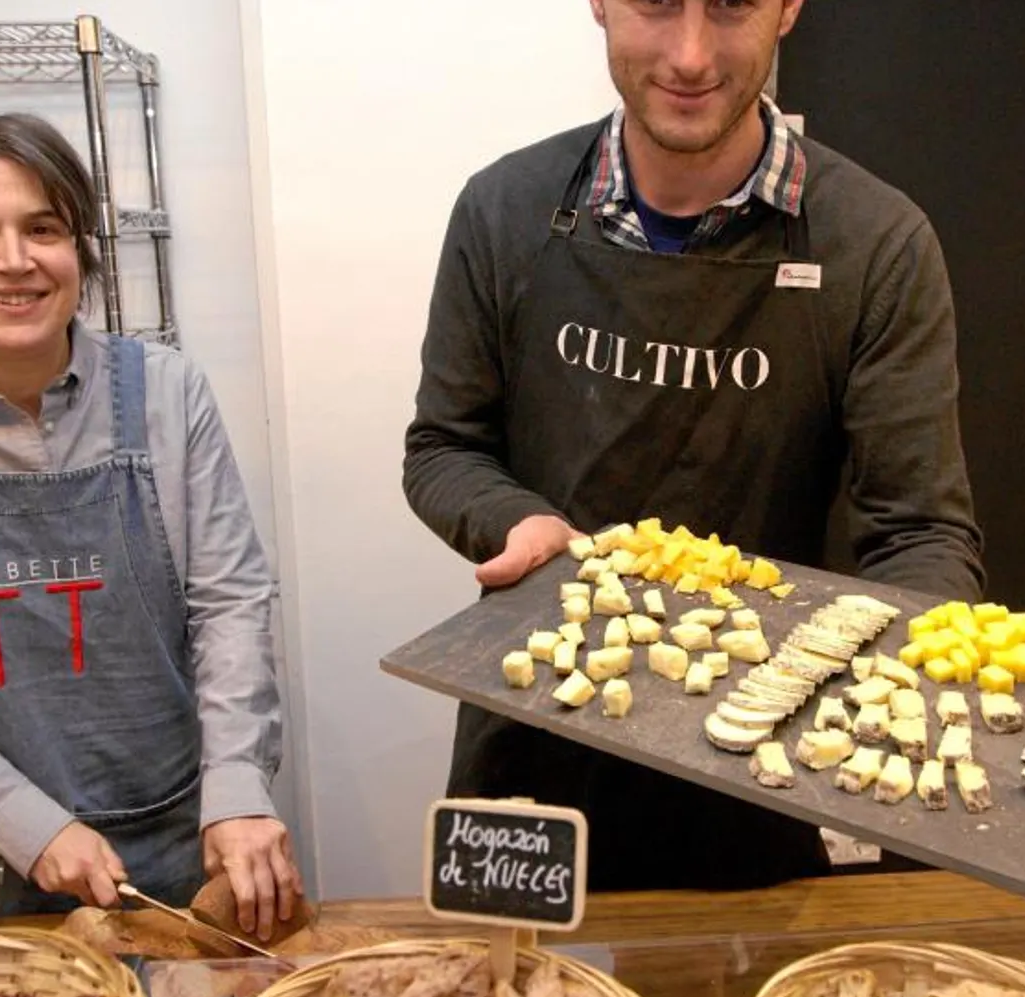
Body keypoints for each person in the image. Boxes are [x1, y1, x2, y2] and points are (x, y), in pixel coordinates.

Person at [403, 0, 985, 891]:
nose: (689, 54)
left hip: (760, 763)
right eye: (657, 3)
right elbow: (443, 447)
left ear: (788, 7)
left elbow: (921, 532)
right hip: (535, 751)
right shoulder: (504, 211)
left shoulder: (878, 245)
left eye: (731, 7)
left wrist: (913, 683)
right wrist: (519, 521)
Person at [0, 113, 302, 935]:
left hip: (182, 845)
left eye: (43, 228)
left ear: (79, 250)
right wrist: (31, 827)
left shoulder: (166, 394)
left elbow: (230, 602)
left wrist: (240, 789)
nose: (14, 260)